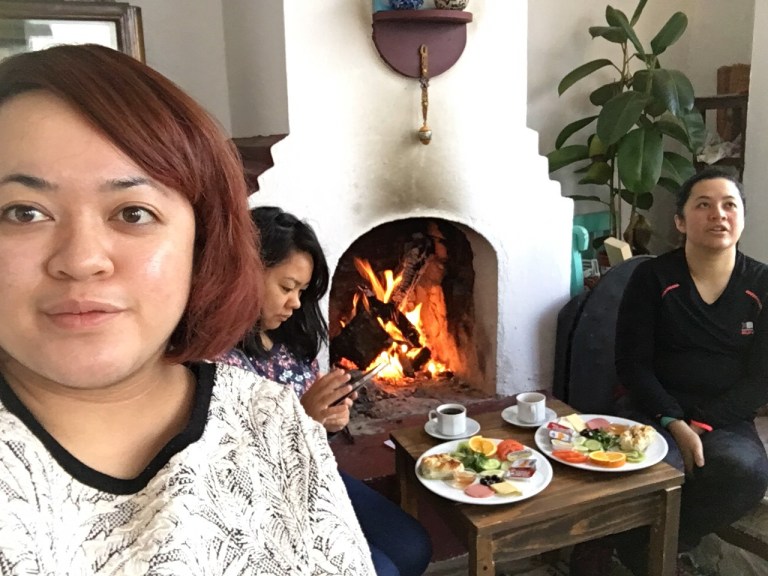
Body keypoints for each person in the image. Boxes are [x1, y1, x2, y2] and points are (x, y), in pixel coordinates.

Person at [0, 44, 375, 575]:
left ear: (202, 244)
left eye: (133, 213)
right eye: (24, 212)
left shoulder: (270, 418)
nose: (81, 260)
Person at [220, 206, 433, 576]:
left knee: (413, 547)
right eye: (286, 287)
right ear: (244, 273)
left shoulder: (289, 338)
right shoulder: (215, 359)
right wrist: (302, 419)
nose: (296, 303)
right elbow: (230, 470)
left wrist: (330, 419)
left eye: (302, 291)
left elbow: (315, 434)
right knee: (381, 570)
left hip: (315, 476)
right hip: (266, 504)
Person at [612, 166, 768, 574]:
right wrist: (674, 422)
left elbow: (762, 378)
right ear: (680, 221)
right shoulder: (653, 277)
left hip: (724, 416)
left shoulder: (762, 283)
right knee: (646, 464)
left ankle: (652, 546)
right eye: (703, 205)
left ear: (742, 218)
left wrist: (701, 423)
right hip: (651, 407)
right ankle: (635, 548)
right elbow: (631, 363)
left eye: (729, 205)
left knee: (746, 472)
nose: (718, 214)